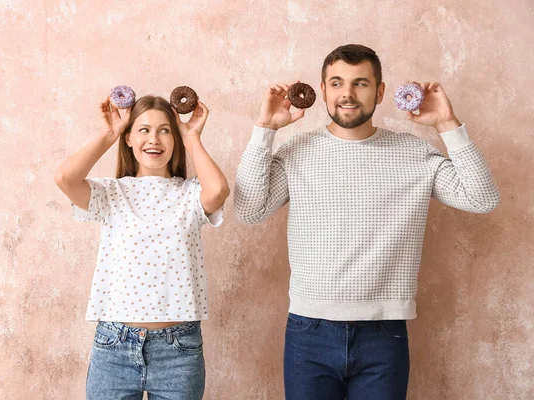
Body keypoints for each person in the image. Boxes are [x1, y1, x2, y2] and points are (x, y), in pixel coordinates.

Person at [234, 44, 500, 399]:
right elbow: (249, 210)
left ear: (380, 92)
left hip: (383, 334)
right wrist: (265, 129)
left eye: (360, 83)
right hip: (308, 332)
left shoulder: (416, 154)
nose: (347, 93)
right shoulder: (296, 152)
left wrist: (448, 125)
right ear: (323, 89)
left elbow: (482, 199)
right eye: (337, 83)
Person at [54, 93, 229, 400]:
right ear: (130, 139)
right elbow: (65, 177)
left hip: (179, 350)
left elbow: (218, 190)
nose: (155, 139)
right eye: (144, 129)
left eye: (165, 130)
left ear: (174, 140)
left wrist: (192, 137)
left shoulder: (190, 194)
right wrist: (110, 133)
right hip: (114, 349)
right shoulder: (110, 193)